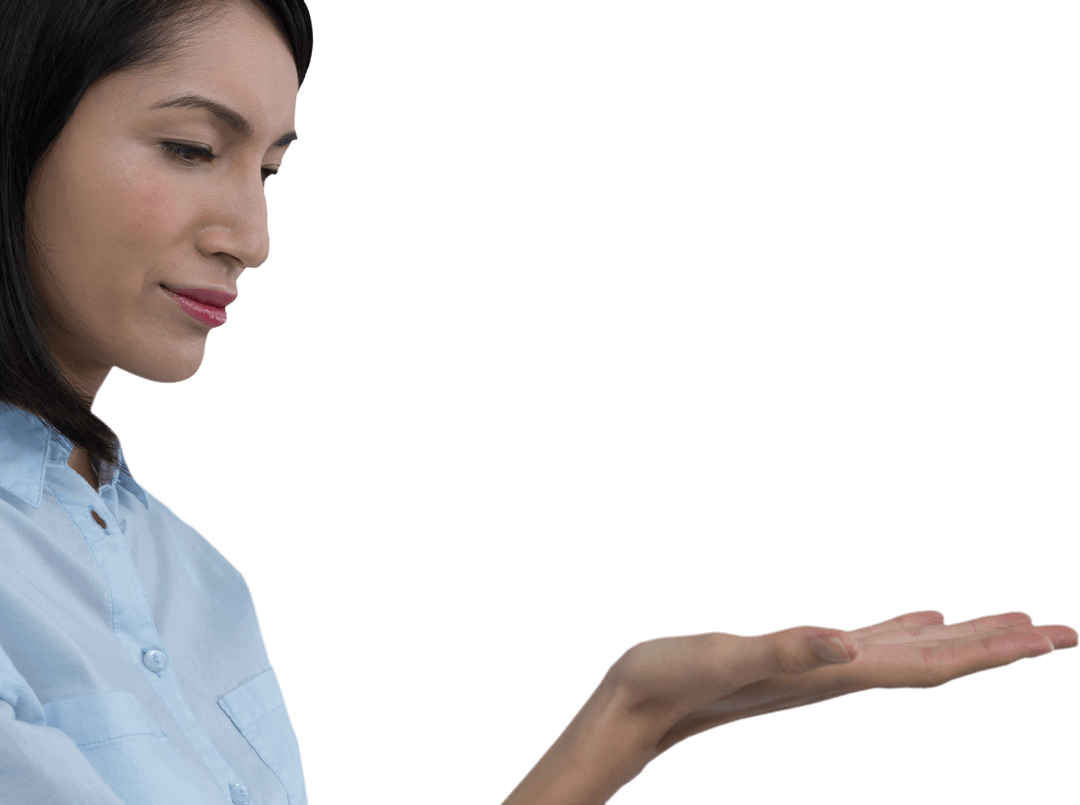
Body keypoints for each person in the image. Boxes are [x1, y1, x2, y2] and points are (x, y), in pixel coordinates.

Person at [0, 2, 1075, 805]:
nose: (252, 236)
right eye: (191, 148)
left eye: (271, 169)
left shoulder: (191, 578)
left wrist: (626, 723)